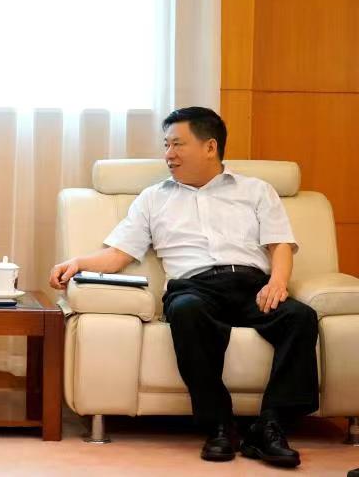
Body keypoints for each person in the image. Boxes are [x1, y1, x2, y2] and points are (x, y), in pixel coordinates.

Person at [50, 107, 318, 468]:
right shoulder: (154, 197)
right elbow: (117, 255)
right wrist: (78, 263)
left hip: (251, 285)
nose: (169, 154)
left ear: (210, 147)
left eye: (178, 144)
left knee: (301, 317)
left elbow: (279, 244)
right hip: (194, 287)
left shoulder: (256, 191)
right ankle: (220, 425)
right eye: (166, 145)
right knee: (185, 310)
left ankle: (270, 427)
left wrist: (278, 282)